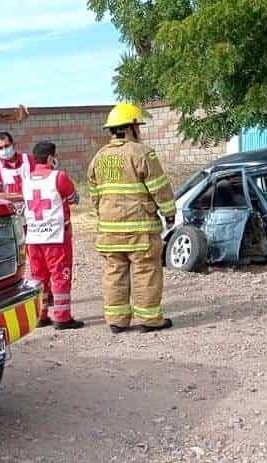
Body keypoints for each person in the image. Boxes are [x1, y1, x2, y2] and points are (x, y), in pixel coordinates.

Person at [87, 102, 176, 334]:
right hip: (140, 231)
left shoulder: (99, 158)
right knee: (146, 271)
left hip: (109, 231)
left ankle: (117, 321)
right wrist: (169, 213)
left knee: (114, 273)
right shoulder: (142, 153)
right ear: (130, 128)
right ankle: (149, 320)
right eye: (139, 126)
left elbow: (95, 196)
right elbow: (159, 187)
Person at [20, 141, 85, 330]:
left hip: (34, 237)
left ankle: (40, 315)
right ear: (51, 158)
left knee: (39, 277)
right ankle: (62, 317)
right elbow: (74, 198)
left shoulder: (27, 179)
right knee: (60, 275)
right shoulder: (59, 177)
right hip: (56, 237)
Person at [0, 131, 34, 213]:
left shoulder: (28, 159)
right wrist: (24, 196)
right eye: (0, 148)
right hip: (11, 213)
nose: (4, 150)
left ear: (13, 144)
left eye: (6, 146)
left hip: (32, 209)